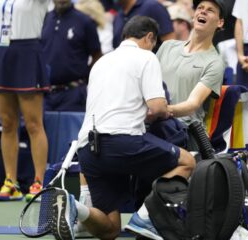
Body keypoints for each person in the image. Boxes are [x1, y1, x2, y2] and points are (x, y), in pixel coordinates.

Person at [48, 16, 195, 240]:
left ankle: (74, 207)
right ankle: (144, 217)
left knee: (110, 230)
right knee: (188, 162)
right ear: (149, 38)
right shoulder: (147, 57)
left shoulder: (101, 62)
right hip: (122, 143)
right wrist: (168, 110)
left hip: (88, 150)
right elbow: (156, 107)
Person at [0, 0, 50, 202]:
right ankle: (10, 182)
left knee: (33, 123)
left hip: (28, 51)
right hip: (3, 53)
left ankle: (39, 181)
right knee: (7, 123)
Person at [158, 0, 225, 128]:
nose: (203, 11)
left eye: (210, 10)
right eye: (200, 7)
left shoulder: (215, 62)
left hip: (184, 131)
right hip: (154, 124)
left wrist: (160, 111)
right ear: (193, 16)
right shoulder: (167, 46)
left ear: (220, 22)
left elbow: (192, 104)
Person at [42, 0, 102, 112]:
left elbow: (97, 55)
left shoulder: (85, 21)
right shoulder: (44, 19)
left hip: (73, 94)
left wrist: (86, 78)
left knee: (71, 130)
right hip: (45, 94)